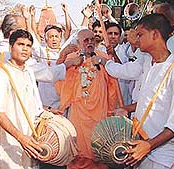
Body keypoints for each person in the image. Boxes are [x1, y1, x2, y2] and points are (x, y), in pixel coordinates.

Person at [0, 29, 82, 169]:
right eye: (20, 44)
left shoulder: (28, 72)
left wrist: (48, 110)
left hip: (32, 135)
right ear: (11, 47)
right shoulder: (2, 76)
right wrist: (21, 138)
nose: (25, 49)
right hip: (13, 138)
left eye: (28, 46)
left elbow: (30, 102)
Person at [124, 14, 174, 169]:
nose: (137, 40)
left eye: (140, 34)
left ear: (155, 34)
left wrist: (149, 145)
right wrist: (126, 109)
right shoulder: (149, 64)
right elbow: (151, 101)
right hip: (140, 150)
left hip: (161, 158)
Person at [55, 29, 118, 169]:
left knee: (100, 150)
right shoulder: (72, 58)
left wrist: (111, 109)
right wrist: (65, 58)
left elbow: (112, 85)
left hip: (100, 111)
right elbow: (58, 80)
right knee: (78, 152)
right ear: (78, 43)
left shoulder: (103, 57)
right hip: (79, 112)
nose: (90, 43)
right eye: (86, 40)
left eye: (92, 39)